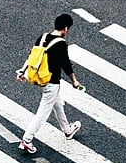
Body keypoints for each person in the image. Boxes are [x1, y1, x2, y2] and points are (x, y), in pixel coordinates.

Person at [16, 13, 83, 154]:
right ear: (65, 28)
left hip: (39, 77)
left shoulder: (43, 37)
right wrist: (74, 81)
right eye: (68, 29)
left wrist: (23, 71)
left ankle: (67, 130)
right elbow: (66, 65)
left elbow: (32, 56)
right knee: (43, 112)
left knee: (57, 103)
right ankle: (26, 140)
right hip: (51, 82)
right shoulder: (61, 43)